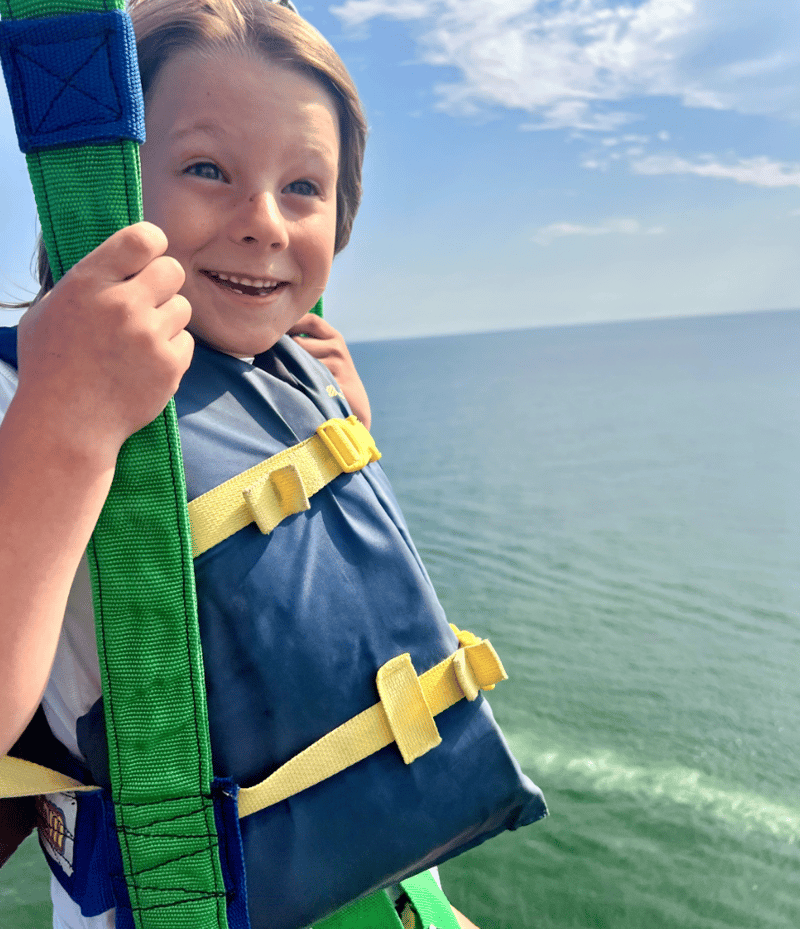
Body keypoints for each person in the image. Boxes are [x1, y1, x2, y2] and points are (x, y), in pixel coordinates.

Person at [0, 1, 537, 926]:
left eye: (304, 188)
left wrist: (344, 434)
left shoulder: (306, 375)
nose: (263, 223)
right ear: (118, 191)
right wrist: (62, 431)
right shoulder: (29, 390)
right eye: (207, 169)